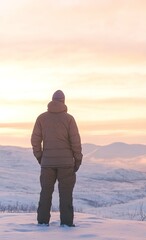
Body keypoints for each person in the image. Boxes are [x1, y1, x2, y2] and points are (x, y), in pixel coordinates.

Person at [31, 90, 83, 227]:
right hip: (66, 164)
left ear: (52, 100)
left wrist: (40, 156)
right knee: (66, 195)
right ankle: (66, 224)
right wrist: (77, 160)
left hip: (47, 163)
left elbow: (35, 140)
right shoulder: (69, 119)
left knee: (45, 193)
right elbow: (75, 141)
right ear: (63, 101)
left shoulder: (41, 118)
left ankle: (42, 223)